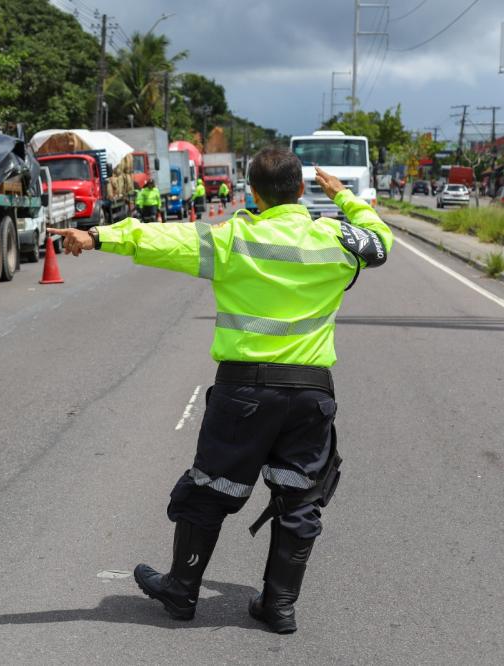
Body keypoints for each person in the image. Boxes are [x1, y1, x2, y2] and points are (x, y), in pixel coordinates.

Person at [47, 148, 393, 634]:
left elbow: (160, 239)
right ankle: (279, 606)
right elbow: (380, 244)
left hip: (244, 392)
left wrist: (99, 234)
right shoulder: (335, 238)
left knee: (209, 490)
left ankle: (181, 590)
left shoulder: (233, 237)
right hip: (311, 393)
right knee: (300, 501)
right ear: (300, 190)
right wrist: (346, 197)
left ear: (252, 192)